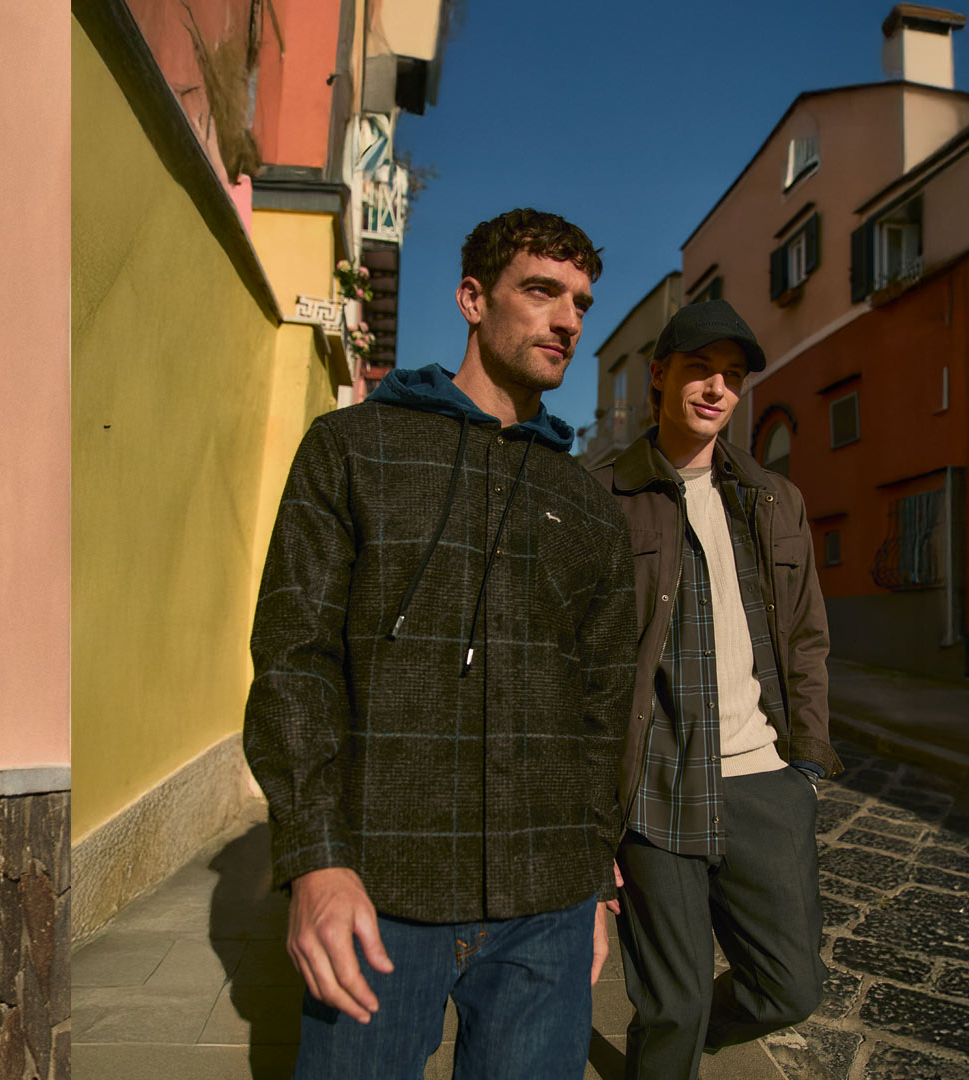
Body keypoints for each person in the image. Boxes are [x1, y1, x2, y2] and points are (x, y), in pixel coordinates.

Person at [244, 208, 639, 1079]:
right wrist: (313, 857)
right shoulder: (353, 450)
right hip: (379, 891)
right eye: (541, 291)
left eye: (580, 301)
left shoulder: (587, 507)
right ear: (471, 298)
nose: (568, 320)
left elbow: (604, 709)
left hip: (548, 905)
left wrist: (594, 883)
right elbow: (293, 659)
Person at [592, 300, 839, 1078]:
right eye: (700, 369)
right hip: (657, 786)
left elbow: (805, 639)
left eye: (731, 376)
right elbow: (579, 664)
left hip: (763, 782)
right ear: (659, 375)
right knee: (674, 1003)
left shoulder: (773, 499)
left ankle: (667, 1050)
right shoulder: (602, 494)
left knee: (791, 987)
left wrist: (805, 766)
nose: (716, 388)